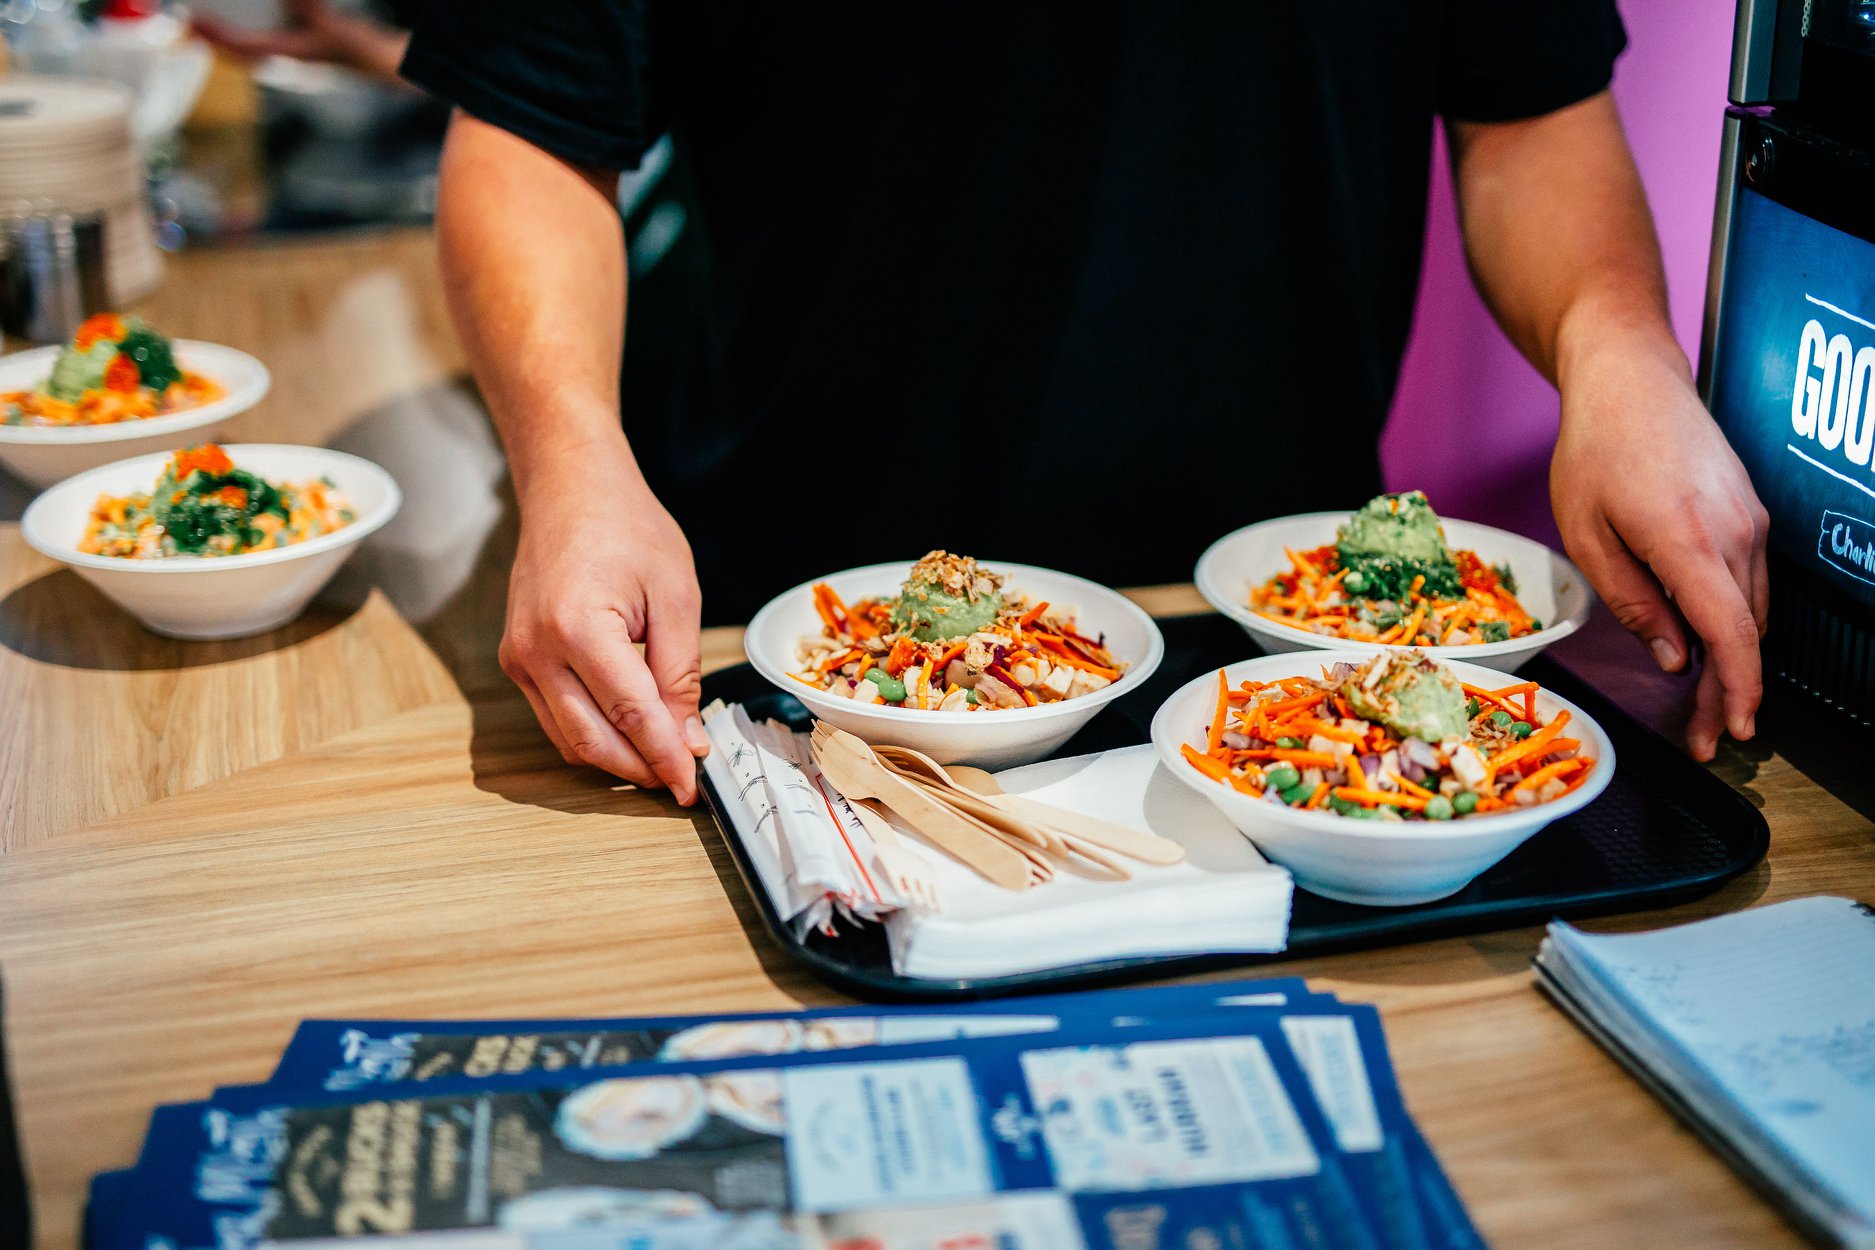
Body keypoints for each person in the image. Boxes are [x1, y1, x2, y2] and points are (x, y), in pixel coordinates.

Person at [400, 3, 1770, 806]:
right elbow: (530, 123)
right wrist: (572, 452)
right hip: (793, 667)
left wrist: (1618, 349)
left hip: (1289, 656)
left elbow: (1529, 104)